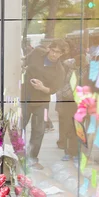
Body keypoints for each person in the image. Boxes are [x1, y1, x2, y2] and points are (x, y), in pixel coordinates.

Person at [21, 40, 66, 169]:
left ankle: (32, 158)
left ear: (61, 54)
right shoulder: (37, 53)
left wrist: (42, 88)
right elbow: (25, 61)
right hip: (25, 96)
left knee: (38, 130)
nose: (54, 54)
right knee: (19, 127)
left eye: (58, 52)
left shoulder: (60, 70)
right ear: (49, 49)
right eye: (53, 50)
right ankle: (17, 154)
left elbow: (53, 90)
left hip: (42, 102)